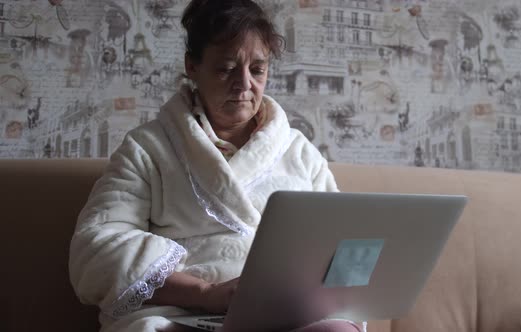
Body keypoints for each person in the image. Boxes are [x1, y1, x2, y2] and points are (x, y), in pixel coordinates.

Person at [69, 1, 362, 332]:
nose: (244, 85)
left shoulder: (300, 152)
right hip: (180, 314)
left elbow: (342, 243)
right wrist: (204, 292)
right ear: (192, 66)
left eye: (258, 69)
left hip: (285, 317)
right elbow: (96, 248)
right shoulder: (147, 148)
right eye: (226, 68)